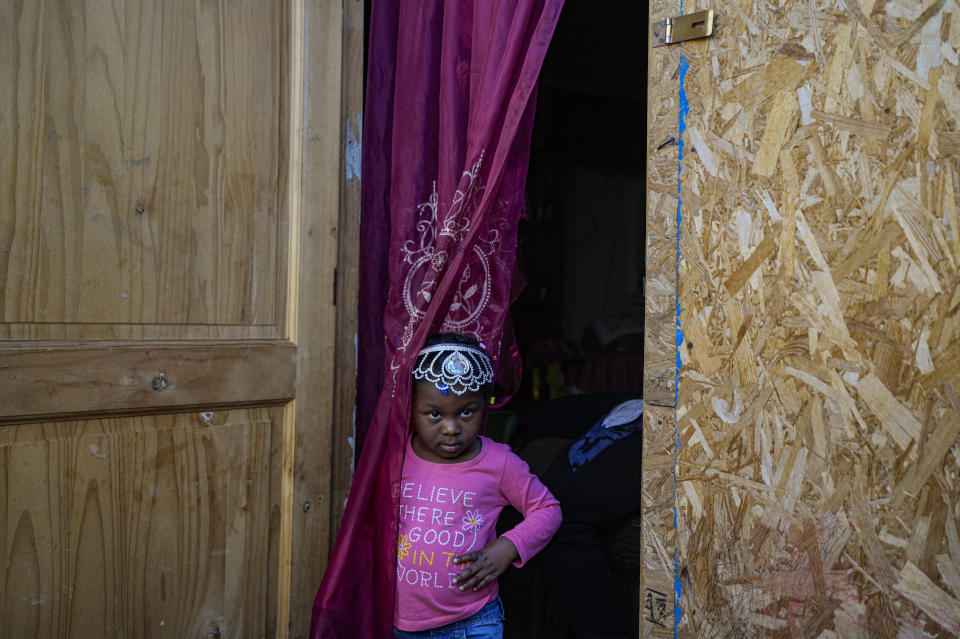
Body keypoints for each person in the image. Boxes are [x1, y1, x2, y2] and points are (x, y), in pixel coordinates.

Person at [395, 333, 562, 638]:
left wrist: (508, 547)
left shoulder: (499, 463)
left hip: (473, 622)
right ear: (412, 407)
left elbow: (547, 509)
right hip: (402, 624)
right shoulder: (395, 459)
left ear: (486, 406)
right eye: (434, 414)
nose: (450, 428)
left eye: (466, 412)